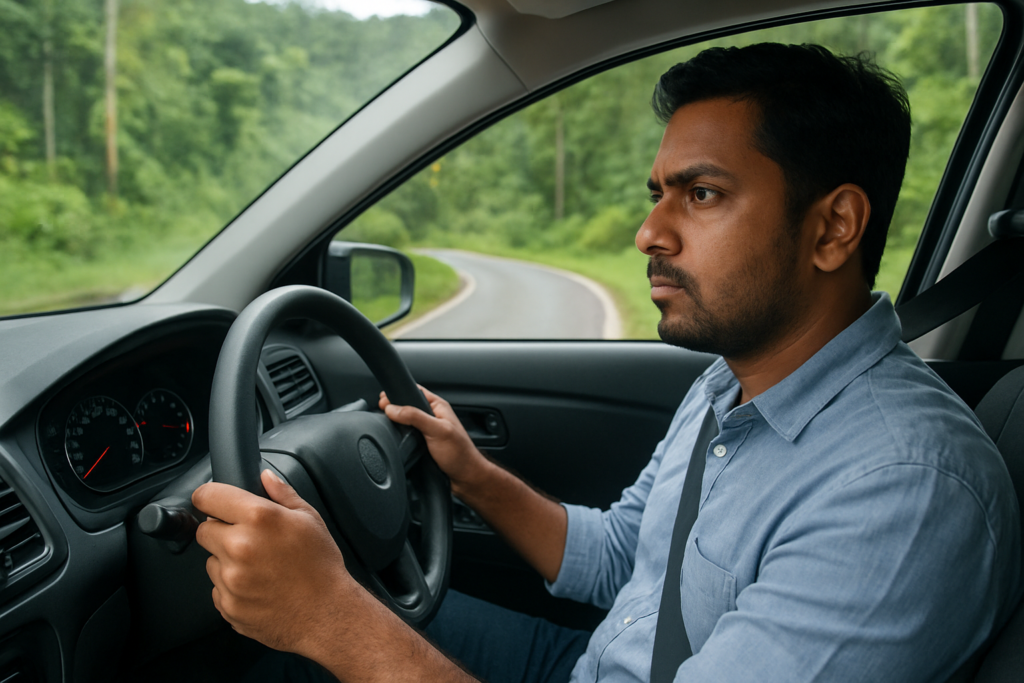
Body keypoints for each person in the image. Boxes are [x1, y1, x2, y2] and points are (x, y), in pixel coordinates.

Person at [191, 43, 1022, 682]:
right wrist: (472, 472)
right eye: (655, 193)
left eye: (700, 194)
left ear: (833, 228)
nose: (649, 233)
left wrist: (330, 617)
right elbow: (626, 554)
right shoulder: (729, 378)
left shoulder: (903, 492)